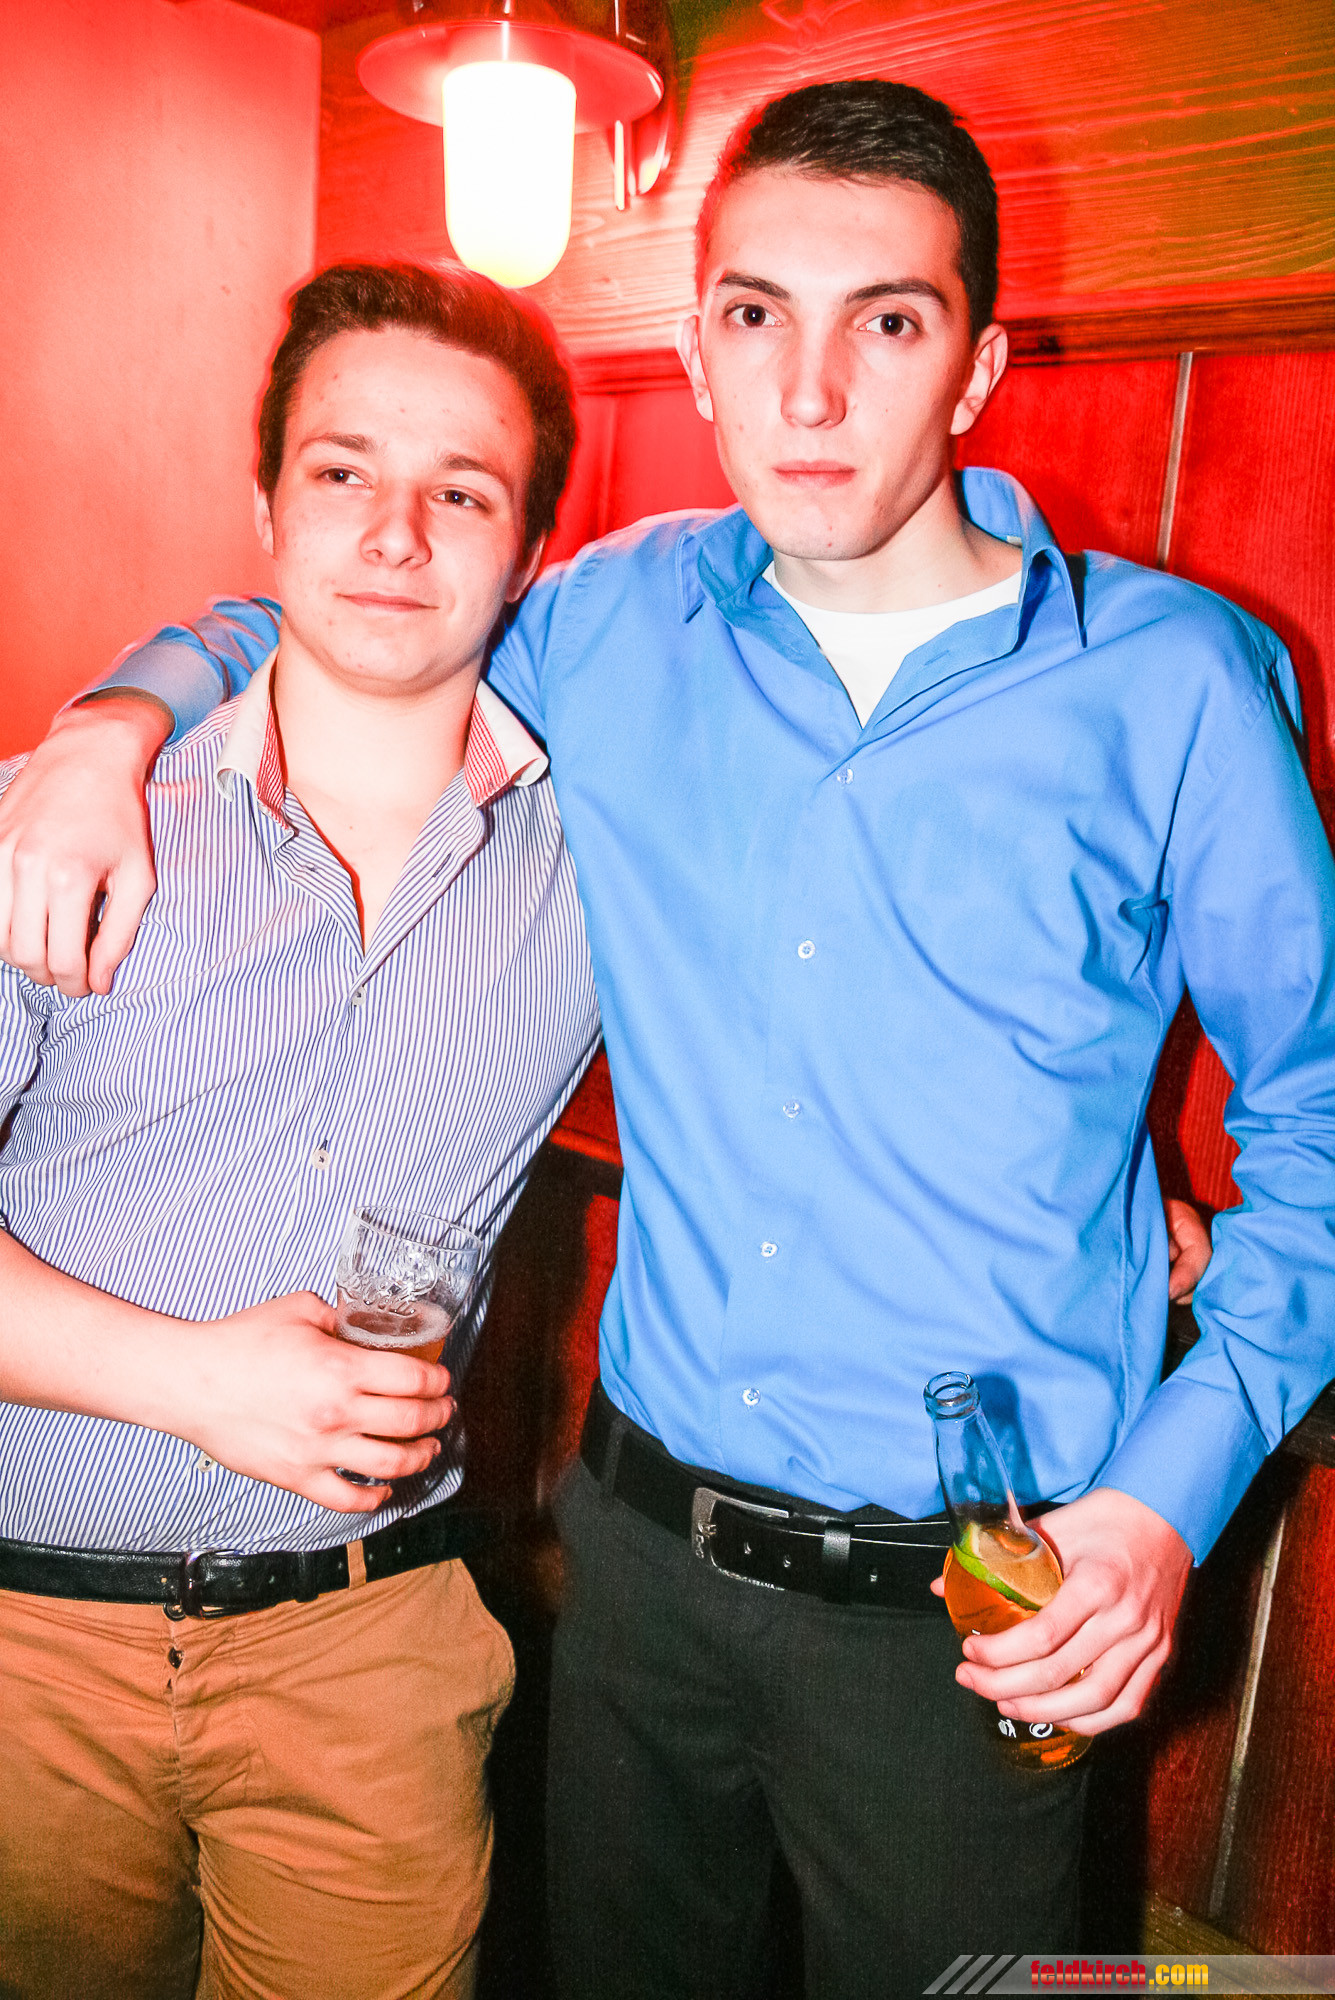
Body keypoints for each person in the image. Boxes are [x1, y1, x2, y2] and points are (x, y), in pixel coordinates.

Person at [3, 76, 1328, 1998]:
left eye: (888, 321)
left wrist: (1163, 1502)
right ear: (696, 349)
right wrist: (111, 723)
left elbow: (1324, 1122)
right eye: (756, 316)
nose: (812, 391)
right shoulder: (605, 624)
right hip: (635, 1582)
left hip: (983, 1600)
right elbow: (353, 590)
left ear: (976, 367)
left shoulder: (1179, 681)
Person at [0, 262, 599, 2000]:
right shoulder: (61, 828)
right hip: (28, 1646)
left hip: (372, 1649)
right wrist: (193, 1381)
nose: (395, 534)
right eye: (343, 473)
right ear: (265, 507)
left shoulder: (597, 869)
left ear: (528, 547)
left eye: (461, 492)